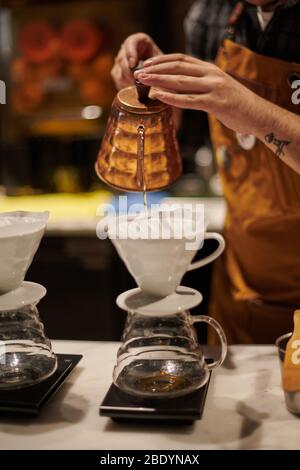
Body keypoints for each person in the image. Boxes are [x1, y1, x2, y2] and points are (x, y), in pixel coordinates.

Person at [111, 0, 300, 344]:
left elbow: (245, 112)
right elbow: (188, 131)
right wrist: (155, 86)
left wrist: (253, 111)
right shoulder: (210, 14)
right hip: (244, 290)